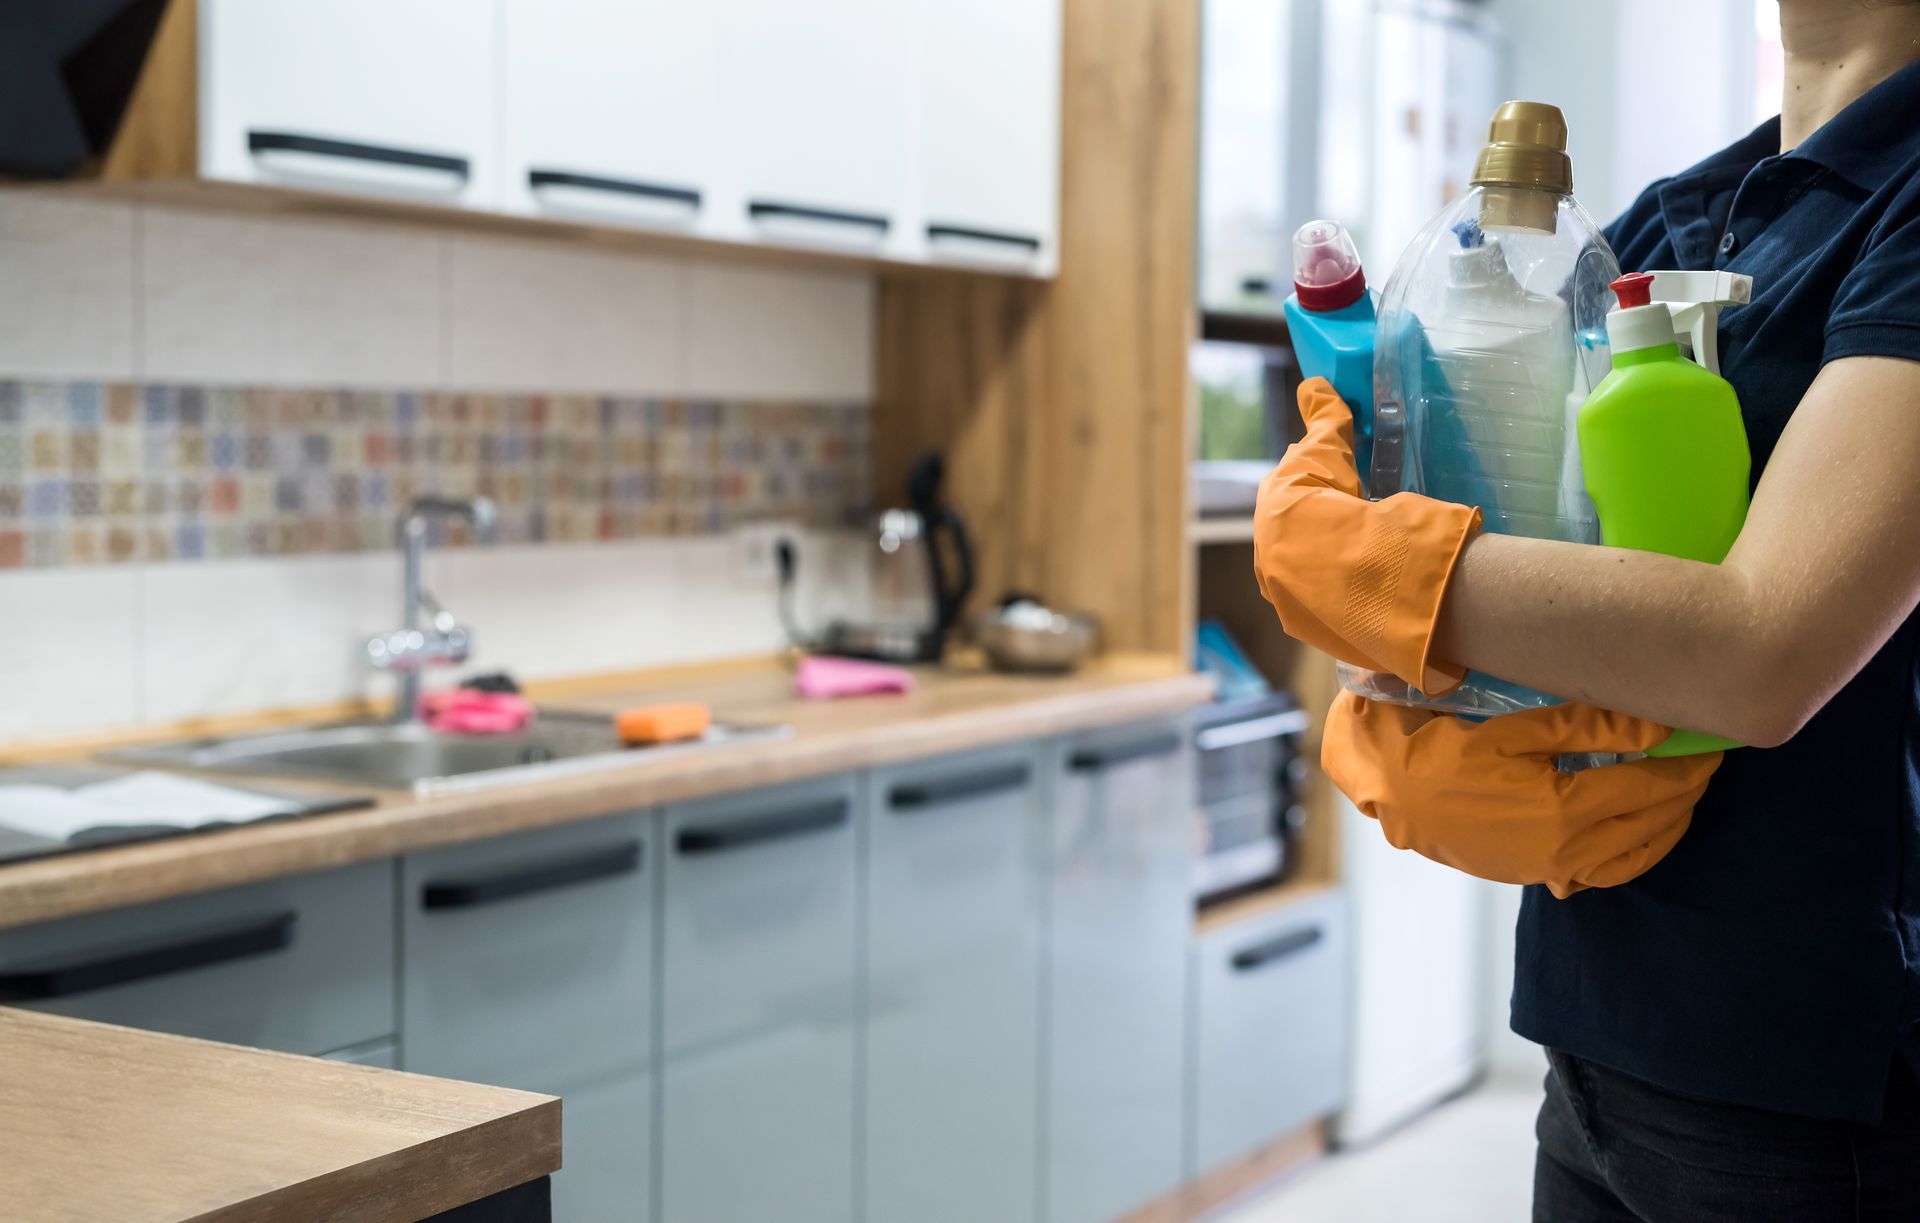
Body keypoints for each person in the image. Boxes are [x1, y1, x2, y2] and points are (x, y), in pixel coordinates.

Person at [1252, 1, 1920, 1218]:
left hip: (1814, 1088)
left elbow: (1761, 649)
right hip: (1598, 1021)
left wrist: (1381, 573)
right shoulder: (1682, 211)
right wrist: (1404, 639)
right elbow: (1509, 545)